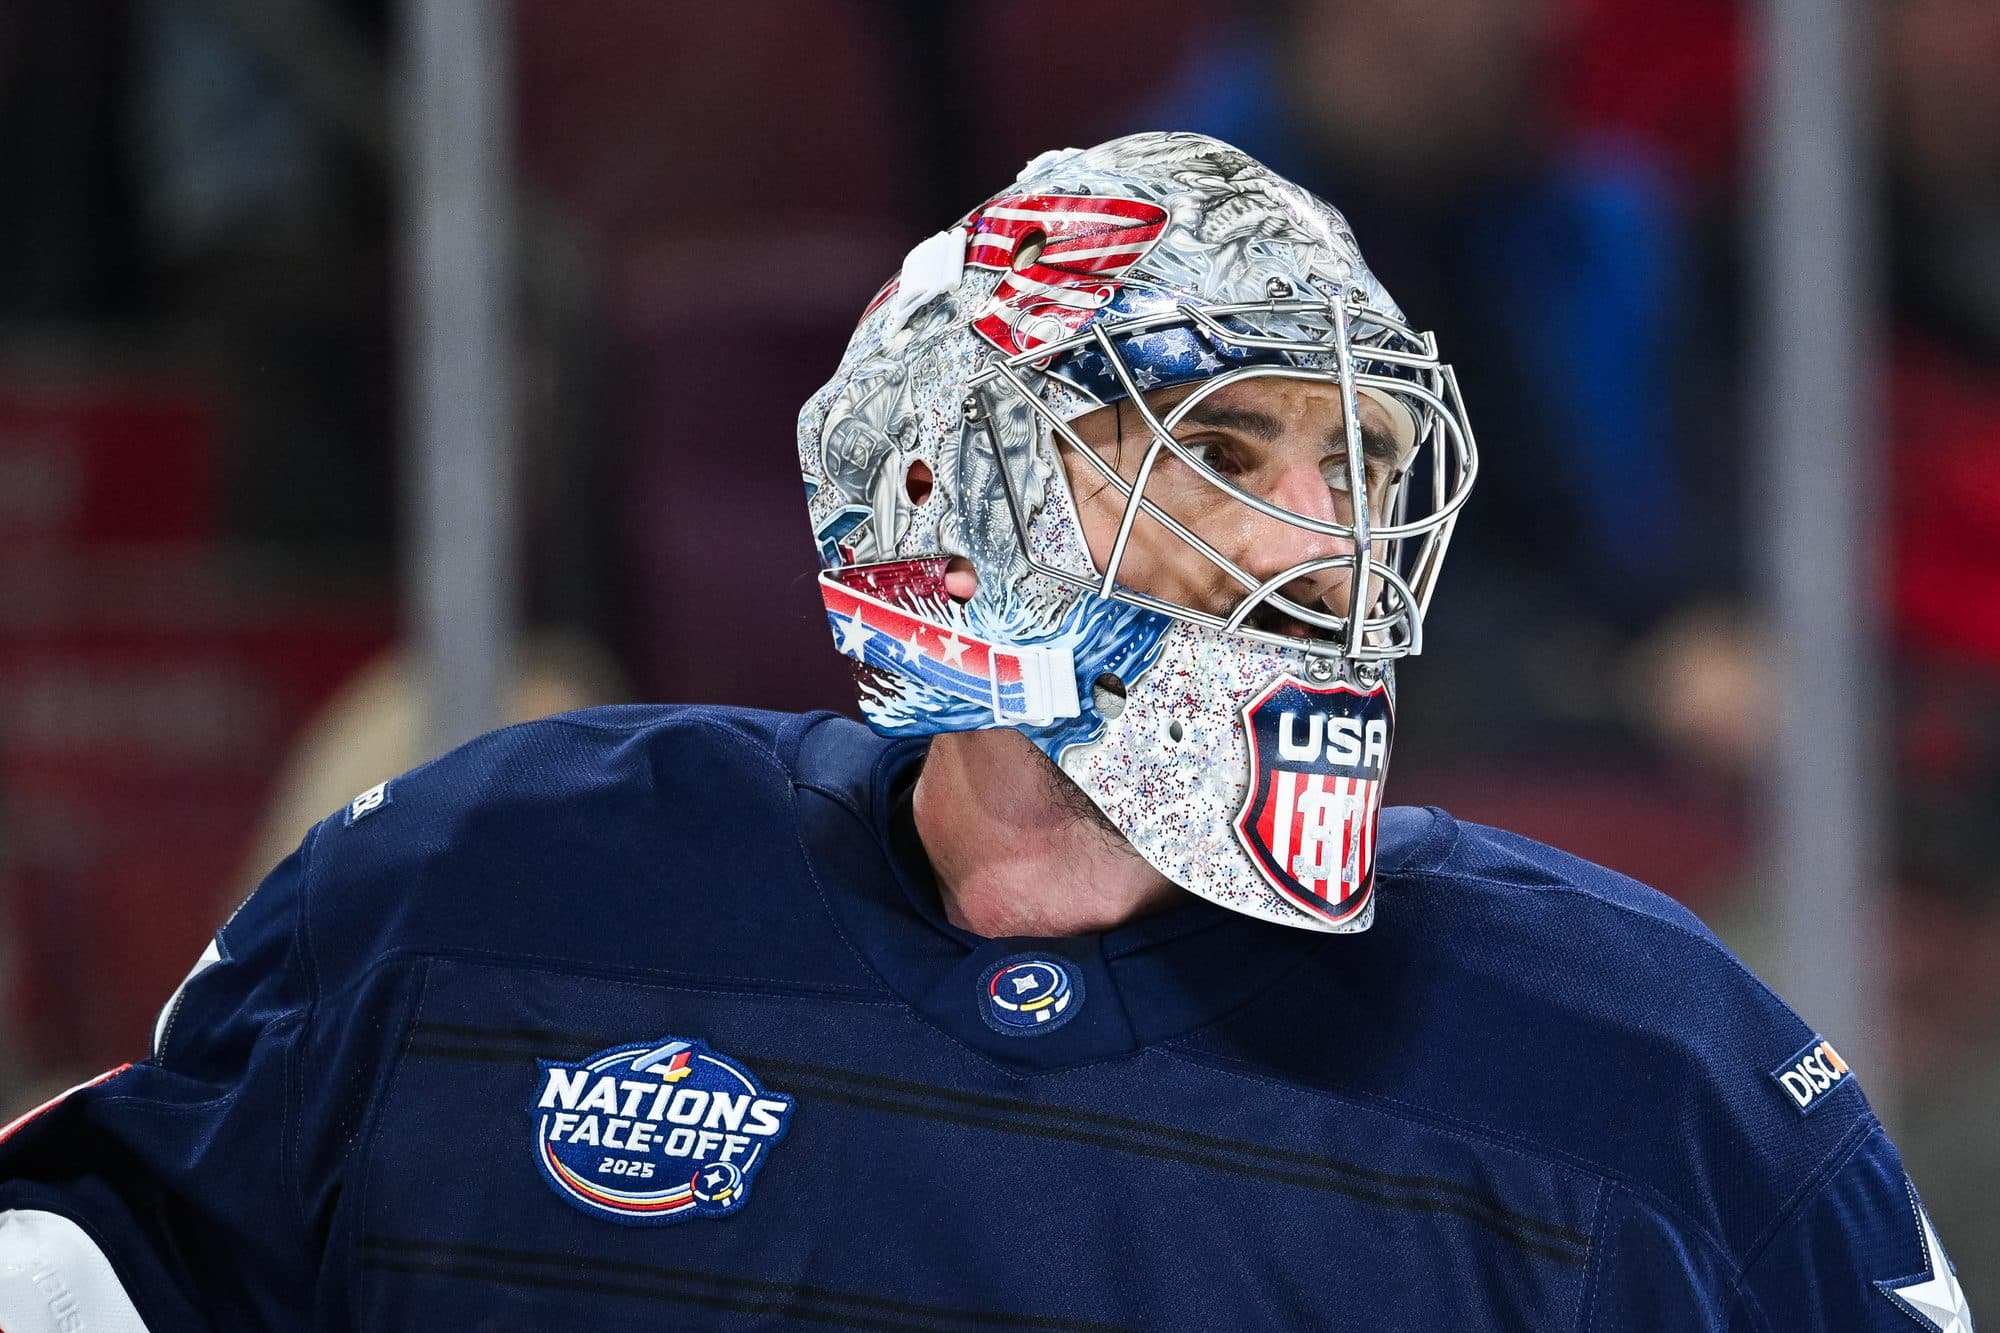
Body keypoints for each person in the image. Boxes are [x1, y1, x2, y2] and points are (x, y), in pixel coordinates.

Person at [0, 134, 1972, 1330]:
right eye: (1223, 445)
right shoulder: (471, 895)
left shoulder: (1653, 1069)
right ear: (953, 490)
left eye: (1362, 462)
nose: (1317, 538)